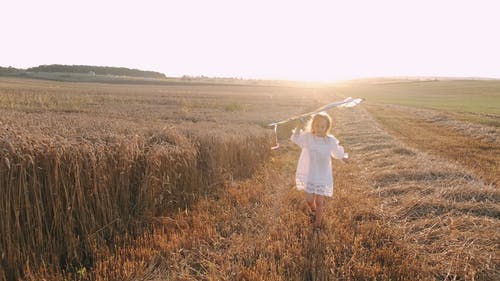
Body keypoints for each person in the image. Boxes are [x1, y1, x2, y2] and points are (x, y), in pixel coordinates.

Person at [290, 112, 348, 229]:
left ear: (327, 128)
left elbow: (336, 153)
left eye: (322, 127)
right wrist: (299, 125)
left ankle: (318, 224)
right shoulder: (308, 137)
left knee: (320, 201)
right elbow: (295, 138)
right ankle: (313, 209)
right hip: (311, 174)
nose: (319, 129)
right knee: (309, 199)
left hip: (322, 175)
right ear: (313, 125)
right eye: (317, 126)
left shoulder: (329, 140)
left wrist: (343, 157)